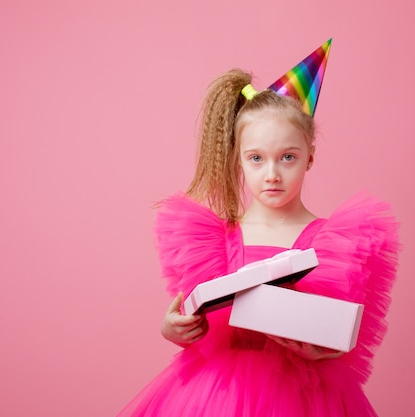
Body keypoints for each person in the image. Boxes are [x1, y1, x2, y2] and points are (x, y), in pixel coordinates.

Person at [116, 40, 400, 417]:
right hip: (217, 394)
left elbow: (345, 334)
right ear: (239, 159)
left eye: (287, 157)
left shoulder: (335, 243)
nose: (272, 174)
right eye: (256, 158)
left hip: (303, 398)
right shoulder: (214, 241)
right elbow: (199, 324)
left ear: (309, 157)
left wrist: (325, 347)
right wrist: (173, 328)